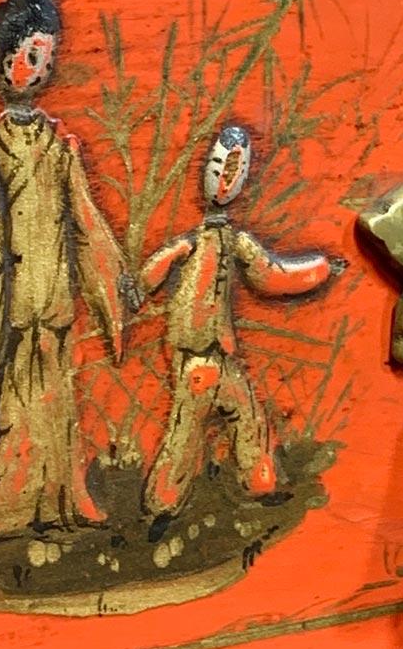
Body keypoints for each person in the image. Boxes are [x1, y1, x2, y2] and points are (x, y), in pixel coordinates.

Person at [0, 0, 128, 552]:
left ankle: (66, 499)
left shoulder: (60, 147)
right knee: (19, 414)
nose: (38, 69)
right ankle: (3, 509)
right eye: (27, 56)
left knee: (60, 412)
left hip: (58, 306)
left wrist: (113, 284)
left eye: (45, 58)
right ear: (2, 63)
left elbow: (87, 223)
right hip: (17, 311)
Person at [139, 124, 341, 516]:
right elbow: (159, 267)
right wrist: (138, 287)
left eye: (236, 169)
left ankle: (253, 484)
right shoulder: (196, 243)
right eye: (220, 167)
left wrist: (320, 269)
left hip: (218, 357)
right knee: (189, 432)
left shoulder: (232, 243)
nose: (227, 178)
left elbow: (272, 274)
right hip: (199, 357)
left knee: (241, 419)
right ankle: (163, 504)